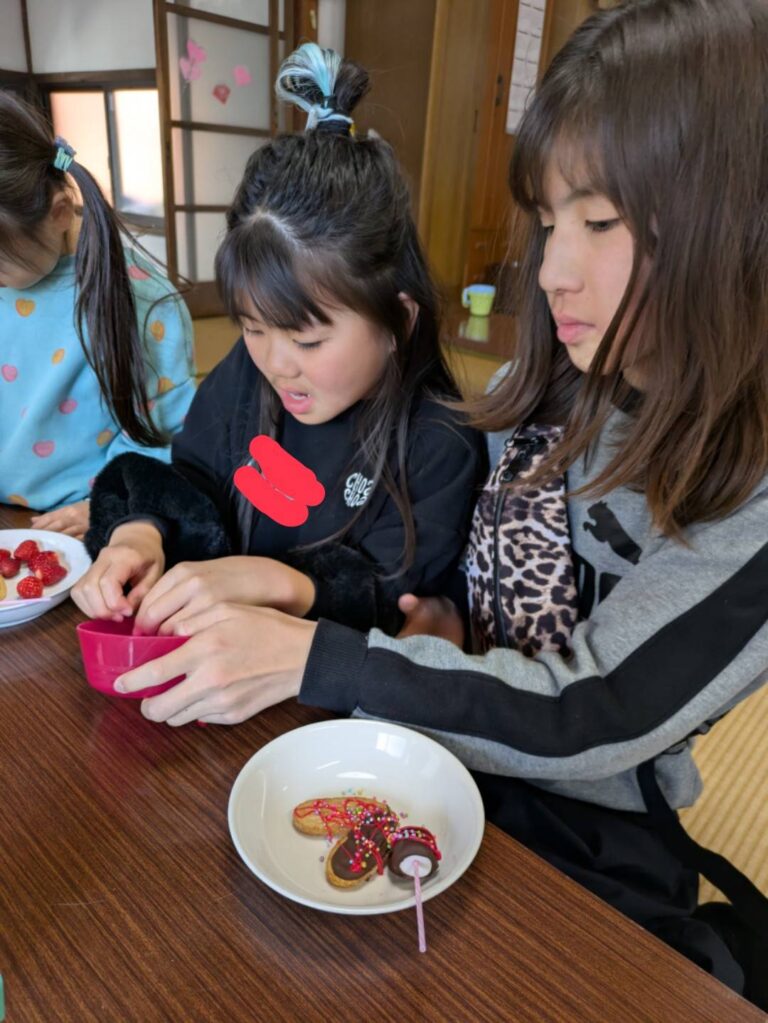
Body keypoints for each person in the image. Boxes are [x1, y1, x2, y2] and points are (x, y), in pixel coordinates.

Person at [107, 0, 768, 1002]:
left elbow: (596, 709)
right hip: (426, 731)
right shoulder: (556, 384)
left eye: (599, 221)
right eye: (549, 223)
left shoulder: (743, 494)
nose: (550, 271)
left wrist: (320, 647)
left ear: (735, 222)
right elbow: (439, 568)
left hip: (578, 818)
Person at [72, 43, 485, 636]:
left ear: (400, 320)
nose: (276, 364)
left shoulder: (438, 441)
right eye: (252, 327)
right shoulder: (250, 369)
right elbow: (195, 476)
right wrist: (143, 533)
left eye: (308, 341)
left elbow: (398, 598)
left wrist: (277, 581)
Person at [0, 92, 195, 539]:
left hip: (97, 520)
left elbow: (166, 430)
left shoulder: (141, 298)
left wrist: (108, 504)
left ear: (59, 213)